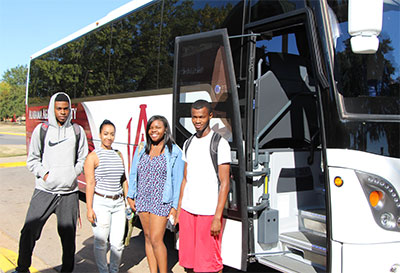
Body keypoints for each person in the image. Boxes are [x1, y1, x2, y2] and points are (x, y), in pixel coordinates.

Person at [15, 92, 88, 273]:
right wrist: (45, 175)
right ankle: (22, 268)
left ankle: (67, 270)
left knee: (68, 238)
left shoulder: (77, 131)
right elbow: (32, 160)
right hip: (44, 191)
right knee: (28, 231)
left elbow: (83, 159)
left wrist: (73, 174)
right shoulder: (42, 130)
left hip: (69, 194)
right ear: (52, 109)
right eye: (58, 109)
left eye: (65, 109)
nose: (62, 112)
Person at [176, 99, 231, 273]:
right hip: (187, 211)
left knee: (210, 263)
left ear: (210, 116)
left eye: (201, 117)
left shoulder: (220, 144)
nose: (197, 121)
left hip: (208, 213)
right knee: (189, 262)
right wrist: (178, 210)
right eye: (194, 117)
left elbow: (225, 183)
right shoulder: (188, 143)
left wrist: (217, 217)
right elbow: (185, 179)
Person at [127, 115, 184, 273]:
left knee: (156, 239)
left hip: (162, 200)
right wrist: (130, 195)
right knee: (146, 236)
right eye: (151, 128)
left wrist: (174, 207)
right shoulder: (142, 148)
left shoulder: (174, 151)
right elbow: (134, 174)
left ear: (165, 129)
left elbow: (178, 181)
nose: (154, 131)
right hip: (143, 198)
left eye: (158, 127)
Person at [84, 119, 127, 273]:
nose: (109, 137)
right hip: (101, 203)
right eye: (106, 134)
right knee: (101, 243)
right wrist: (89, 209)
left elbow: (123, 180)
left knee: (117, 243)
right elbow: (90, 183)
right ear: (100, 135)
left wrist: (127, 202)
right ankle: (103, 271)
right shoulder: (93, 157)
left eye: (112, 134)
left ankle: (114, 270)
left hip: (118, 204)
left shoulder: (118, 155)